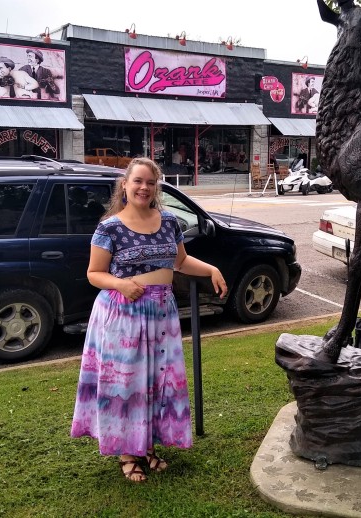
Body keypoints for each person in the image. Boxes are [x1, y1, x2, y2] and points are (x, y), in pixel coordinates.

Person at [70, 157, 227, 483]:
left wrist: (211, 269)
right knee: (127, 385)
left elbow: (181, 262)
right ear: (125, 185)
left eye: (150, 183)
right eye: (137, 181)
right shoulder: (109, 227)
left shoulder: (169, 221)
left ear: (157, 188)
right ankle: (128, 453)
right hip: (122, 317)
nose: (144, 187)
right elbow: (94, 273)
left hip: (161, 315)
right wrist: (121, 284)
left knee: (157, 381)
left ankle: (148, 446)